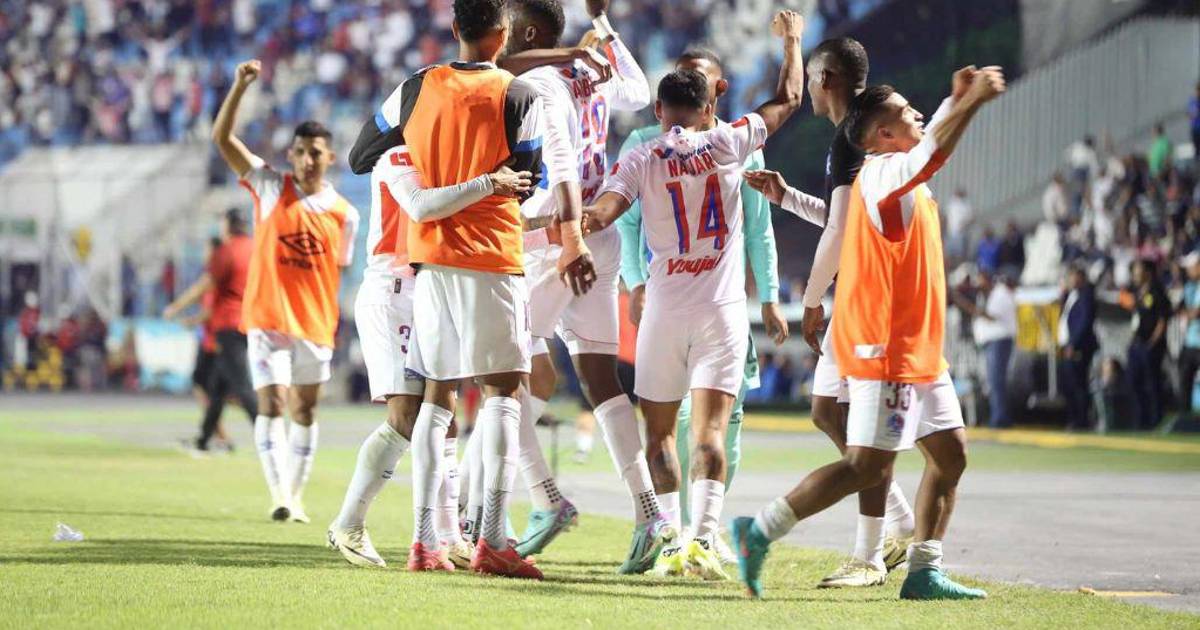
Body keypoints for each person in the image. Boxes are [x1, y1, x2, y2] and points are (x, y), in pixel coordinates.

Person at [733, 65, 1006, 601]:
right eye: (906, 112)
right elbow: (931, 154)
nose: (918, 114)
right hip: (886, 347)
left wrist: (954, 101)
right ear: (882, 135)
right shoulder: (883, 173)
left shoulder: (892, 171)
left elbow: (921, 150)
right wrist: (972, 102)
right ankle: (759, 530)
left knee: (950, 454)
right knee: (864, 465)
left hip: (918, 347)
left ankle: (924, 571)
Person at [347, 0, 593, 580]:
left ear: (455, 28)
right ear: (503, 35)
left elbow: (361, 155)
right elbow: (524, 180)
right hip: (490, 255)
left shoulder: (415, 86)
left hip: (430, 259)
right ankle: (492, 542)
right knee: (505, 391)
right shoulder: (518, 94)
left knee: (439, 397)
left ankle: (424, 542)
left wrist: (428, 160)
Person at [585, 10, 807, 580]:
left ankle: (670, 540)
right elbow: (789, 98)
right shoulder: (732, 141)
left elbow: (606, 213)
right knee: (710, 435)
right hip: (721, 316)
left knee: (658, 435)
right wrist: (792, 42)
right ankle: (703, 540)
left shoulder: (641, 155)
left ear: (659, 112)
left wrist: (564, 225)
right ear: (710, 107)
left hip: (663, 315)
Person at [490, 0, 665, 565]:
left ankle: (543, 499)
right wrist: (603, 27)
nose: (502, 41)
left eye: (509, 32)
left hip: (558, 238)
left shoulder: (540, 81)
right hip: (599, 232)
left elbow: (561, 160)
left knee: (499, 372)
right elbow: (639, 91)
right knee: (599, 377)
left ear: (529, 34)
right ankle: (649, 513)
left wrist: (567, 238)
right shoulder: (591, 70)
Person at [327, 142, 548, 568]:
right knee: (407, 416)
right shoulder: (399, 156)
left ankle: (448, 537)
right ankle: (348, 522)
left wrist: (555, 228)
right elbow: (425, 205)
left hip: (433, 284)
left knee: (443, 415)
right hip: (393, 291)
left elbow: (482, 217)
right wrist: (488, 182)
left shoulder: (447, 156)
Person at [761, 35, 918, 589]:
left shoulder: (855, 140)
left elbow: (840, 230)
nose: (807, 89)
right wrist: (786, 197)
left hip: (868, 297)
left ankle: (870, 554)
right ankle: (903, 523)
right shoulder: (847, 138)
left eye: (809, 77)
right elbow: (839, 218)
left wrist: (810, 301)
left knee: (866, 432)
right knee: (827, 412)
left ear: (825, 79)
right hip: (856, 292)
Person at [212, 61, 361, 523]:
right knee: (272, 402)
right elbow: (223, 139)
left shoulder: (345, 214)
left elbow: (336, 269)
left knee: (305, 410)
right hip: (267, 318)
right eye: (299, 152)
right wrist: (239, 86)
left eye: (315, 152)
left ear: (329, 157)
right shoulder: (270, 187)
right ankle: (279, 495)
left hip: (314, 324)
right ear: (290, 155)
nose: (306, 159)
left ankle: (295, 496)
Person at [164, 210, 258, 454]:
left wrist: (176, 307)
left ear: (228, 225)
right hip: (250, 321)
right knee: (217, 388)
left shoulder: (227, 250)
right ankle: (204, 440)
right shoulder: (255, 248)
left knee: (242, 387)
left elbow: (205, 285)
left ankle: (270, 440)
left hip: (229, 324)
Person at [953, 271, 1017, 428]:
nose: (978, 284)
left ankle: (1000, 418)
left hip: (1000, 340)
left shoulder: (1000, 293)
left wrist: (965, 304)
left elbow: (990, 316)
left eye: (980, 280)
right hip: (991, 342)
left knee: (996, 379)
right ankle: (997, 415)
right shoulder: (987, 295)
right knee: (992, 380)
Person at [1127, 259, 1171, 429]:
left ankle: (1155, 420)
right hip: (1137, 343)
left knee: (1152, 382)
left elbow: (1162, 319)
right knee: (1134, 381)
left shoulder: (1157, 291)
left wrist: (1153, 341)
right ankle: (1140, 420)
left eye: (1138, 271)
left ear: (1148, 272)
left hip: (1150, 344)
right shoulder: (1137, 291)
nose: (1135, 275)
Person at [1058, 265, 1098, 429]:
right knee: (1068, 384)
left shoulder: (1086, 295)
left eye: (1074, 276)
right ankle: (1073, 418)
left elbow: (1084, 322)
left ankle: (1081, 420)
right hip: (1067, 345)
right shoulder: (1070, 295)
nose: (1071, 279)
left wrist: (1073, 344)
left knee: (1078, 384)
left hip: (1078, 346)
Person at [1178, 252, 1200, 417]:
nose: (1188, 271)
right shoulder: (1191, 287)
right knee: (1185, 379)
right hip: (1191, 342)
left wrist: (1186, 313)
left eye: (1191, 267)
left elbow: (1195, 312)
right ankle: (1185, 417)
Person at [942, 188, 973, 264]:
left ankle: (958, 267)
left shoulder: (966, 205)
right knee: (949, 254)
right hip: (950, 233)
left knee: (959, 255)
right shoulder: (952, 204)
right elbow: (946, 217)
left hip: (961, 233)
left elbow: (970, 219)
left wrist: (963, 226)